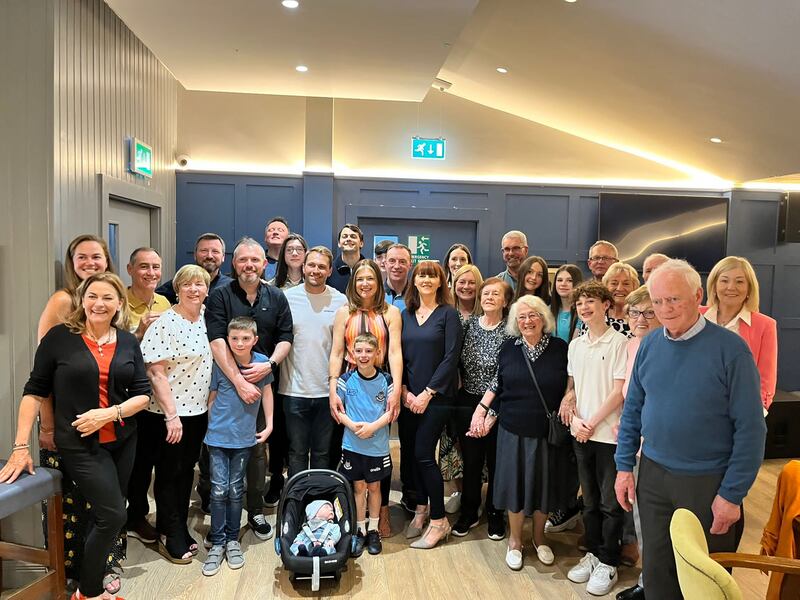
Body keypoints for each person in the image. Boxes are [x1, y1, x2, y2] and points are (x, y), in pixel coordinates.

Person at [615, 259, 767, 600]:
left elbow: (752, 429)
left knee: (703, 581)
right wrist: (624, 466)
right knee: (656, 570)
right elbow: (633, 411)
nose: (665, 309)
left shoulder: (731, 351)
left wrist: (732, 495)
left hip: (708, 482)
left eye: (674, 299)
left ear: (697, 295)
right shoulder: (650, 345)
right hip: (653, 476)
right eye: (657, 302)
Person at [1, 272, 150, 600]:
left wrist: (110, 413)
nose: (99, 303)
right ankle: (89, 591)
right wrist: (20, 445)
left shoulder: (127, 341)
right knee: (113, 514)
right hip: (80, 445)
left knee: (105, 513)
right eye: (92, 296)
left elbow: (142, 394)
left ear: (119, 304)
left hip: (123, 441)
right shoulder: (58, 338)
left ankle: (88, 582)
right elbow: (34, 391)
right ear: (82, 301)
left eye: (108, 297)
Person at [35, 234, 125, 595]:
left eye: (97, 257)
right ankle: (77, 577)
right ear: (71, 262)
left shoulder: (113, 301)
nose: (90, 263)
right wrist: (47, 424)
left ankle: (100, 567)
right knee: (73, 503)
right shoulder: (63, 301)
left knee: (105, 503)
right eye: (82, 257)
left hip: (110, 426)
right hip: (69, 426)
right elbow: (42, 373)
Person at [469, 295, 569, 571]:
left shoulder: (560, 348)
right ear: (515, 321)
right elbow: (498, 385)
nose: (527, 321)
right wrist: (484, 412)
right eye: (521, 317)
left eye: (533, 315)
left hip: (546, 431)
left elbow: (571, 383)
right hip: (512, 428)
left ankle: (539, 538)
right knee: (514, 485)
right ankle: (515, 540)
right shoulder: (509, 348)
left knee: (543, 486)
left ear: (543, 318)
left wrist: (570, 396)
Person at [205, 237, 293, 540]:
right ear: (234, 263)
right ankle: (218, 511)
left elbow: (286, 337)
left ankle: (254, 510)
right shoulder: (219, 296)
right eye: (243, 260)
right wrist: (239, 381)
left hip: (262, 387)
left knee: (256, 453)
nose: (249, 265)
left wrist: (268, 365)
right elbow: (216, 340)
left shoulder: (276, 297)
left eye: (255, 260)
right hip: (226, 388)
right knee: (217, 451)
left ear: (264, 264)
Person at [135, 265, 213, 564]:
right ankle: (168, 533)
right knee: (168, 474)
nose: (194, 289)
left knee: (185, 473)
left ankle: (178, 525)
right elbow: (155, 372)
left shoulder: (207, 318)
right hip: (168, 414)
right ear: (177, 289)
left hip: (197, 411)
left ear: (207, 289)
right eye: (187, 284)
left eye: (200, 284)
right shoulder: (165, 322)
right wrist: (171, 416)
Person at [329, 259, 402, 538]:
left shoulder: (391, 312)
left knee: (379, 452)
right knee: (353, 452)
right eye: (360, 278)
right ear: (353, 283)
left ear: (378, 282)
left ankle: (381, 515)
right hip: (351, 386)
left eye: (370, 278)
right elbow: (336, 352)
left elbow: (395, 352)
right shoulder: (343, 312)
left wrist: (396, 388)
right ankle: (355, 520)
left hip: (380, 385)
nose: (365, 283)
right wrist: (333, 388)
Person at [564, 280, 627, 596]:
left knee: (610, 503)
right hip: (582, 433)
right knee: (588, 502)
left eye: (591, 301)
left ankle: (609, 560)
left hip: (608, 437)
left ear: (606, 305)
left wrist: (591, 421)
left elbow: (618, 393)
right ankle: (591, 553)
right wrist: (576, 420)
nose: (585, 307)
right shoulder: (576, 345)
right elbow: (572, 389)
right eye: (580, 303)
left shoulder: (619, 343)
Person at [202, 317, 274, 577]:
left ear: (255, 339)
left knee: (236, 489)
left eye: (246, 338)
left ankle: (232, 539)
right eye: (234, 338)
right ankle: (218, 542)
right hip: (218, 438)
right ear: (227, 339)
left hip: (245, 437)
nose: (239, 343)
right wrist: (211, 430)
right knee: (219, 489)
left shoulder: (262, 362)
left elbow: (267, 393)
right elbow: (212, 397)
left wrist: (269, 425)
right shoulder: (221, 363)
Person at [400, 260, 463, 550]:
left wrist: (427, 393)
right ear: (413, 281)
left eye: (431, 275)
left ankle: (439, 521)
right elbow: (398, 356)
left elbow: (451, 359)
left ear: (440, 282)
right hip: (408, 398)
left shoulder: (448, 315)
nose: (425, 279)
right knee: (412, 456)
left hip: (437, 398)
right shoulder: (406, 314)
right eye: (421, 275)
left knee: (425, 454)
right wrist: (404, 391)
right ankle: (421, 510)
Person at [451, 277, 513, 540]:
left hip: (498, 404)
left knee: (496, 462)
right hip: (467, 402)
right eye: (485, 293)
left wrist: (490, 411)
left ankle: (495, 513)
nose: (488, 297)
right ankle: (469, 510)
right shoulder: (468, 326)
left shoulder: (510, 332)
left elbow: (506, 373)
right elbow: (456, 361)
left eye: (495, 294)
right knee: (472, 461)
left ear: (505, 301)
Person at [280, 246, 347, 476]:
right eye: (312, 265)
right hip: (293, 390)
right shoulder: (286, 298)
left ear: (329, 271)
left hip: (327, 392)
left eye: (321, 266)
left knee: (322, 453)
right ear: (304, 266)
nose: (315, 270)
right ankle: (297, 504)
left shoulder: (341, 301)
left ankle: (318, 506)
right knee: (296, 452)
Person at [615, 285, 662, 600]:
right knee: (642, 518)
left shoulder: (665, 346)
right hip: (631, 441)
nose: (640, 318)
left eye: (648, 311)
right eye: (634, 312)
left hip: (657, 446)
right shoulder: (630, 346)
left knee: (654, 521)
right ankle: (649, 581)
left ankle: (656, 584)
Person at [335, 333, 394, 556]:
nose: (364, 355)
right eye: (359, 351)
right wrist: (352, 425)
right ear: (352, 353)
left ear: (378, 353)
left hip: (376, 446)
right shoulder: (345, 379)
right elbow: (338, 410)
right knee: (358, 487)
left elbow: (390, 412)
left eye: (369, 351)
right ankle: (359, 530)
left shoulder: (386, 380)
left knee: (375, 487)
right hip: (352, 444)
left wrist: (372, 427)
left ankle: (374, 530)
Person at [702, 256, 777, 410]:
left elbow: (766, 379)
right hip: (693, 407)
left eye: (739, 281)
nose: (731, 287)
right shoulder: (694, 317)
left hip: (738, 411)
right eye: (724, 280)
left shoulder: (766, 325)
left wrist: (754, 414)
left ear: (749, 288)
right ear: (714, 285)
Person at [156, 233, 232, 305]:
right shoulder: (180, 282)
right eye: (204, 251)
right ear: (195, 255)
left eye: (215, 251)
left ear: (223, 257)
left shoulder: (232, 286)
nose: (209, 256)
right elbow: (154, 299)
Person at [126, 247, 171, 341]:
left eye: (156, 267)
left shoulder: (164, 302)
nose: (151, 273)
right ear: (130, 269)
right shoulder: (118, 303)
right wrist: (138, 333)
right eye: (144, 267)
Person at [601, 262, 640, 337]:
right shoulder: (595, 315)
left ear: (634, 287)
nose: (619, 288)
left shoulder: (641, 318)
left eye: (626, 284)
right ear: (606, 286)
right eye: (614, 283)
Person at [549, 264, 584, 343]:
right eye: (559, 280)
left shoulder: (583, 312)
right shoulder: (547, 310)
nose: (563, 284)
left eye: (569, 280)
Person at [327, 223, 366, 293]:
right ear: (339, 243)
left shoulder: (369, 269)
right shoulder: (329, 270)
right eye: (345, 236)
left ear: (361, 243)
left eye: (353, 236)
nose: (348, 239)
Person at [384, 243, 412, 310]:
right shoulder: (374, 294)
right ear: (385, 264)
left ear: (410, 265)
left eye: (402, 262)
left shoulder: (418, 295)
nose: (397, 266)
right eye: (392, 261)